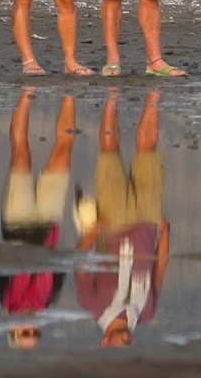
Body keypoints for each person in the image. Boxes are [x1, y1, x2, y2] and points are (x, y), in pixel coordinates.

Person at [75, 90, 171, 348]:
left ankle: (111, 97)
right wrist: (166, 234)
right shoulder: (146, 314)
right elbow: (159, 268)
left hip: (112, 224)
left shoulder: (92, 306)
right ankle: (153, 95)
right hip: (149, 223)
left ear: (105, 342)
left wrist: (95, 230)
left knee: (109, 151)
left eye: (117, 350)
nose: (124, 347)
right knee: (148, 149)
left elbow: (80, 263)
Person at [0, 87, 77, 349]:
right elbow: (59, 262)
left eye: (24, 333)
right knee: (64, 150)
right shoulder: (50, 298)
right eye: (34, 333)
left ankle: (25, 95)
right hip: (48, 221)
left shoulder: (2, 296)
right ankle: (69, 92)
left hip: (17, 223)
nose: (31, 329)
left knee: (21, 152)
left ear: (13, 330)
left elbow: (1, 260)